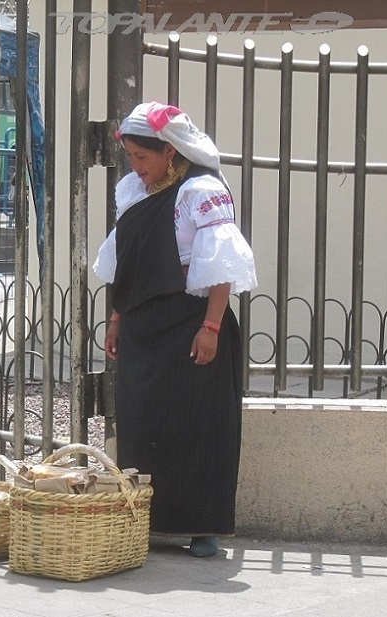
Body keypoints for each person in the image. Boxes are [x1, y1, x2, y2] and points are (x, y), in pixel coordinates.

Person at [93, 102, 257, 558]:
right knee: (143, 422)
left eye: (142, 158)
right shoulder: (133, 192)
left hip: (193, 321)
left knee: (199, 425)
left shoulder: (201, 192)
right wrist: (118, 317)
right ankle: (147, 517)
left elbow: (220, 266)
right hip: (145, 327)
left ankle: (203, 525)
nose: (135, 167)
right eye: (130, 157)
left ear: (170, 151)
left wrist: (211, 326)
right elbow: (127, 261)